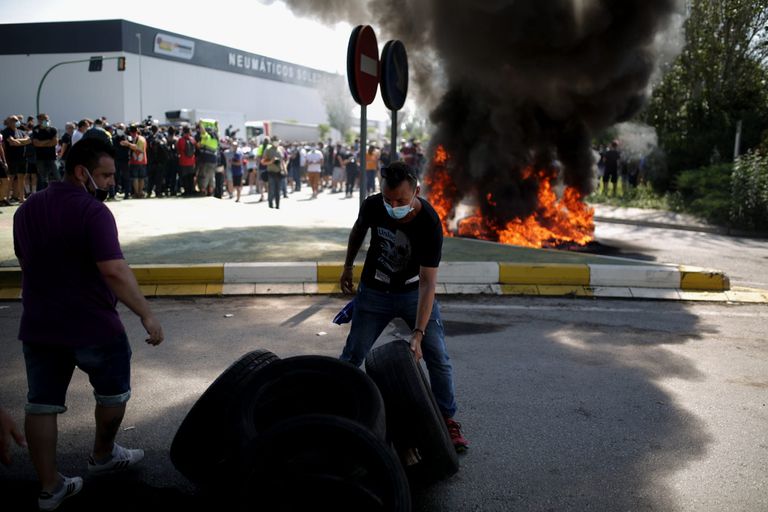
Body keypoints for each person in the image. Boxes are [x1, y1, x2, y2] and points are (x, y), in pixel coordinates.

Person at [13, 138, 165, 511]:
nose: (112, 182)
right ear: (82, 173)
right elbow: (113, 269)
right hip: (93, 324)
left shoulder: (25, 210)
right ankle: (102, 456)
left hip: (40, 324)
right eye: (106, 175)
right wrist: (146, 314)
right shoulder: (94, 213)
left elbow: (25, 259)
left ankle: (49, 488)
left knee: (42, 405)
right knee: (112, 394)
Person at [338, 160, 468, 452]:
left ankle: (446, 419)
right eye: (388, 199)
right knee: (352, 355)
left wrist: (419, 333)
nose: (392, 205)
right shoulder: (373, 205)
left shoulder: (429, 223)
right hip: (374, 291)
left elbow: (427, 283)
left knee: (437, 355)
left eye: (400, 200)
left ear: (416, 192)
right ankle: (337, 411)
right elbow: (359, 231)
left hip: (413, 293)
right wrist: (348, 266)